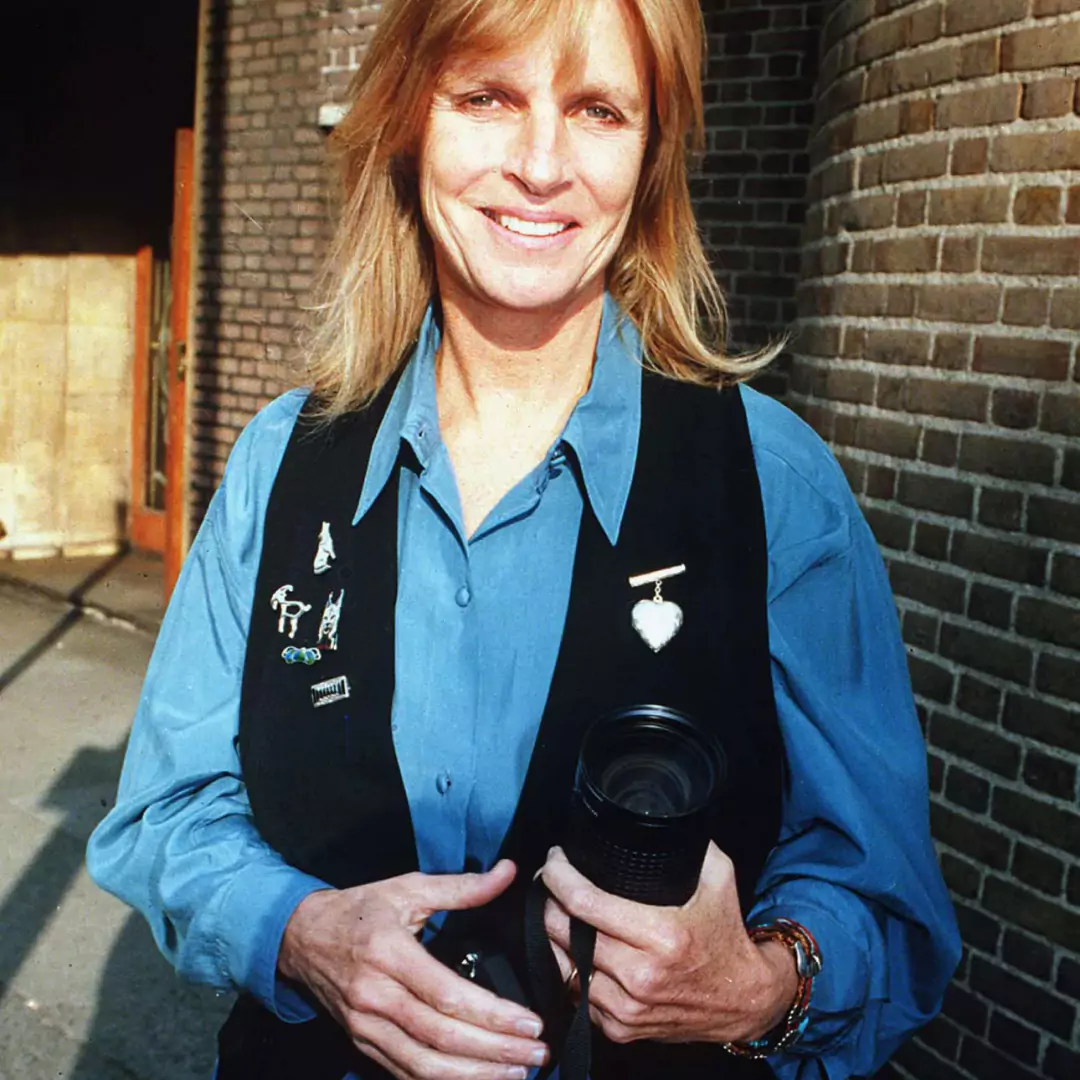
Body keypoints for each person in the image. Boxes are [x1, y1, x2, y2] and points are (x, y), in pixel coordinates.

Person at [87, 0, 961, 1078]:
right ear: (411, 123)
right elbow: (170, 810)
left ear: (651, 158)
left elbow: (886, 901)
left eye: (598, 109)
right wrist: (298, 934)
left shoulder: (773, 486)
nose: (541, 165)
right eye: (488, 96)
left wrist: (761, 981)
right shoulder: (282, 463)